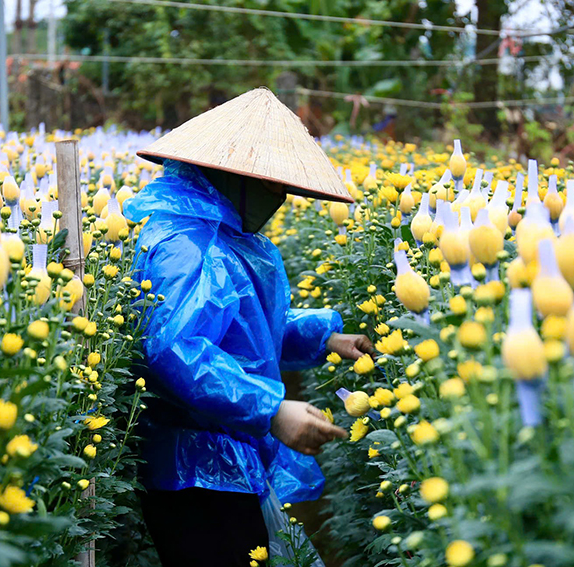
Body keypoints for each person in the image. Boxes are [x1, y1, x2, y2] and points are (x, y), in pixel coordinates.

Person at [123, 88, 373, 567]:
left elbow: (249, 325)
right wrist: (272, 410)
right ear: (230, 175)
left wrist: (325, 338)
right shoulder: (185, 243)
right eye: (272, 185)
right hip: (194, 470)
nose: (278, 198)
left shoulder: (223, 235)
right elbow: (177, 350)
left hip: (224, 459)